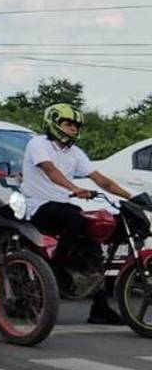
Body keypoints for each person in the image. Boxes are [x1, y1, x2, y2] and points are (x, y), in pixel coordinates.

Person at [20, 103, 133, 325]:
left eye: (76, 125)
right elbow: (51, 171)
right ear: (54, 123)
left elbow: (102, 180)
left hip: (62, 209)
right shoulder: (38, 144)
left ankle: (100, 309)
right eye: (68, 123)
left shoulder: (75, 153)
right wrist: (74, 188)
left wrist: (132, 197)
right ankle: (58, 267)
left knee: (94, 248)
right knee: (74, 216)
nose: (73, 128)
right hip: (37, 207)